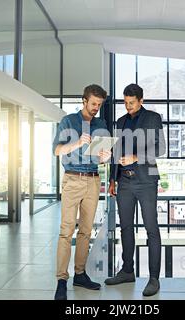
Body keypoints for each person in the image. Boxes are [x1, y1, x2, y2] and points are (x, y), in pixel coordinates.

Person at [105, 83, 166, 297]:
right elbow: (116, 151)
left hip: (147, 181)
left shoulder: (153, 118)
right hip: (125, 183)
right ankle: (127, 271)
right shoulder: (121, 121)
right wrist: (112, 179)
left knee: (151, 229)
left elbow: (161, 148)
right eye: (125, 102)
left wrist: (136, 157)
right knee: (126, 228)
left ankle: (154, 278)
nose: (128, 106)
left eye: (131, 103)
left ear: (141, 100)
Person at [53, 84, 111, 300]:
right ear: (84, 101)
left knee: (86, 231)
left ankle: (80, 274)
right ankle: (61, 279)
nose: (96, 107)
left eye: (99, 104)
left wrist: (105, 157)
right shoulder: (68, 121)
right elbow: (57, 150)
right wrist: (77, 143)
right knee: (66, 231)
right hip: (72, 178)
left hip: (94, 180)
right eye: (93, 103)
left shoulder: (101, 124)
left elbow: (102, 156)